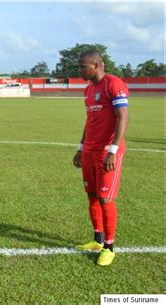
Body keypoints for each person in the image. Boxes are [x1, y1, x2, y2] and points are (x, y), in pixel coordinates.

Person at [73, 49, 129, 266]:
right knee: (92, 194)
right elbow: (90, 121)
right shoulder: (88, 90)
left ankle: (109, 247)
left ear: (97, 65)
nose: (80, 70)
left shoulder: (113, 84)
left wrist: (113, 150)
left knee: (106, 198)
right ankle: (97, 240)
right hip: (89, 150)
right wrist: (80, 147)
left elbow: (123, 117)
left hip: (107, 151)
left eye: (83, 66)